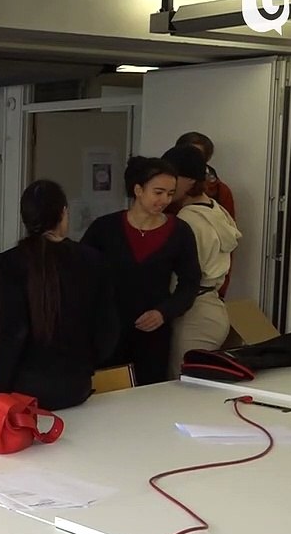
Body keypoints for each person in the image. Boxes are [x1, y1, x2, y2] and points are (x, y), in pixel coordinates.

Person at [0, 180, 118, 416]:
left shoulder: (11, 262)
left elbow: (13, 334)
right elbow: (108, 328)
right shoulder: (92, 259)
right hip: (76, 387)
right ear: (63, 213)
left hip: (25, 393)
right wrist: (87, 364)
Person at [81, 156, 203, 385]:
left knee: (148, 397)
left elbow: (190, 282)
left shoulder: (180, 231)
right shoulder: (104, 228)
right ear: (138, 189)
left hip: (153, 333)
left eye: (170, 193)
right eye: (158, 192)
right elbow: (81, 274)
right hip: (108, 331)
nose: (165, 200)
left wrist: (163, 312)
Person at [162, 146, 241, 378]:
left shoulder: (187, 220)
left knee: (181, 385)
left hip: (193, 312)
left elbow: (181, 273)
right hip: (212, 307)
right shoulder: (217, 211)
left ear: (186, 181)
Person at [173, 131, 236, 297]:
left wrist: (220, 287)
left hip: (201, 288)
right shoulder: (170, 194)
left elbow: (228, 242)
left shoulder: (220, 192)